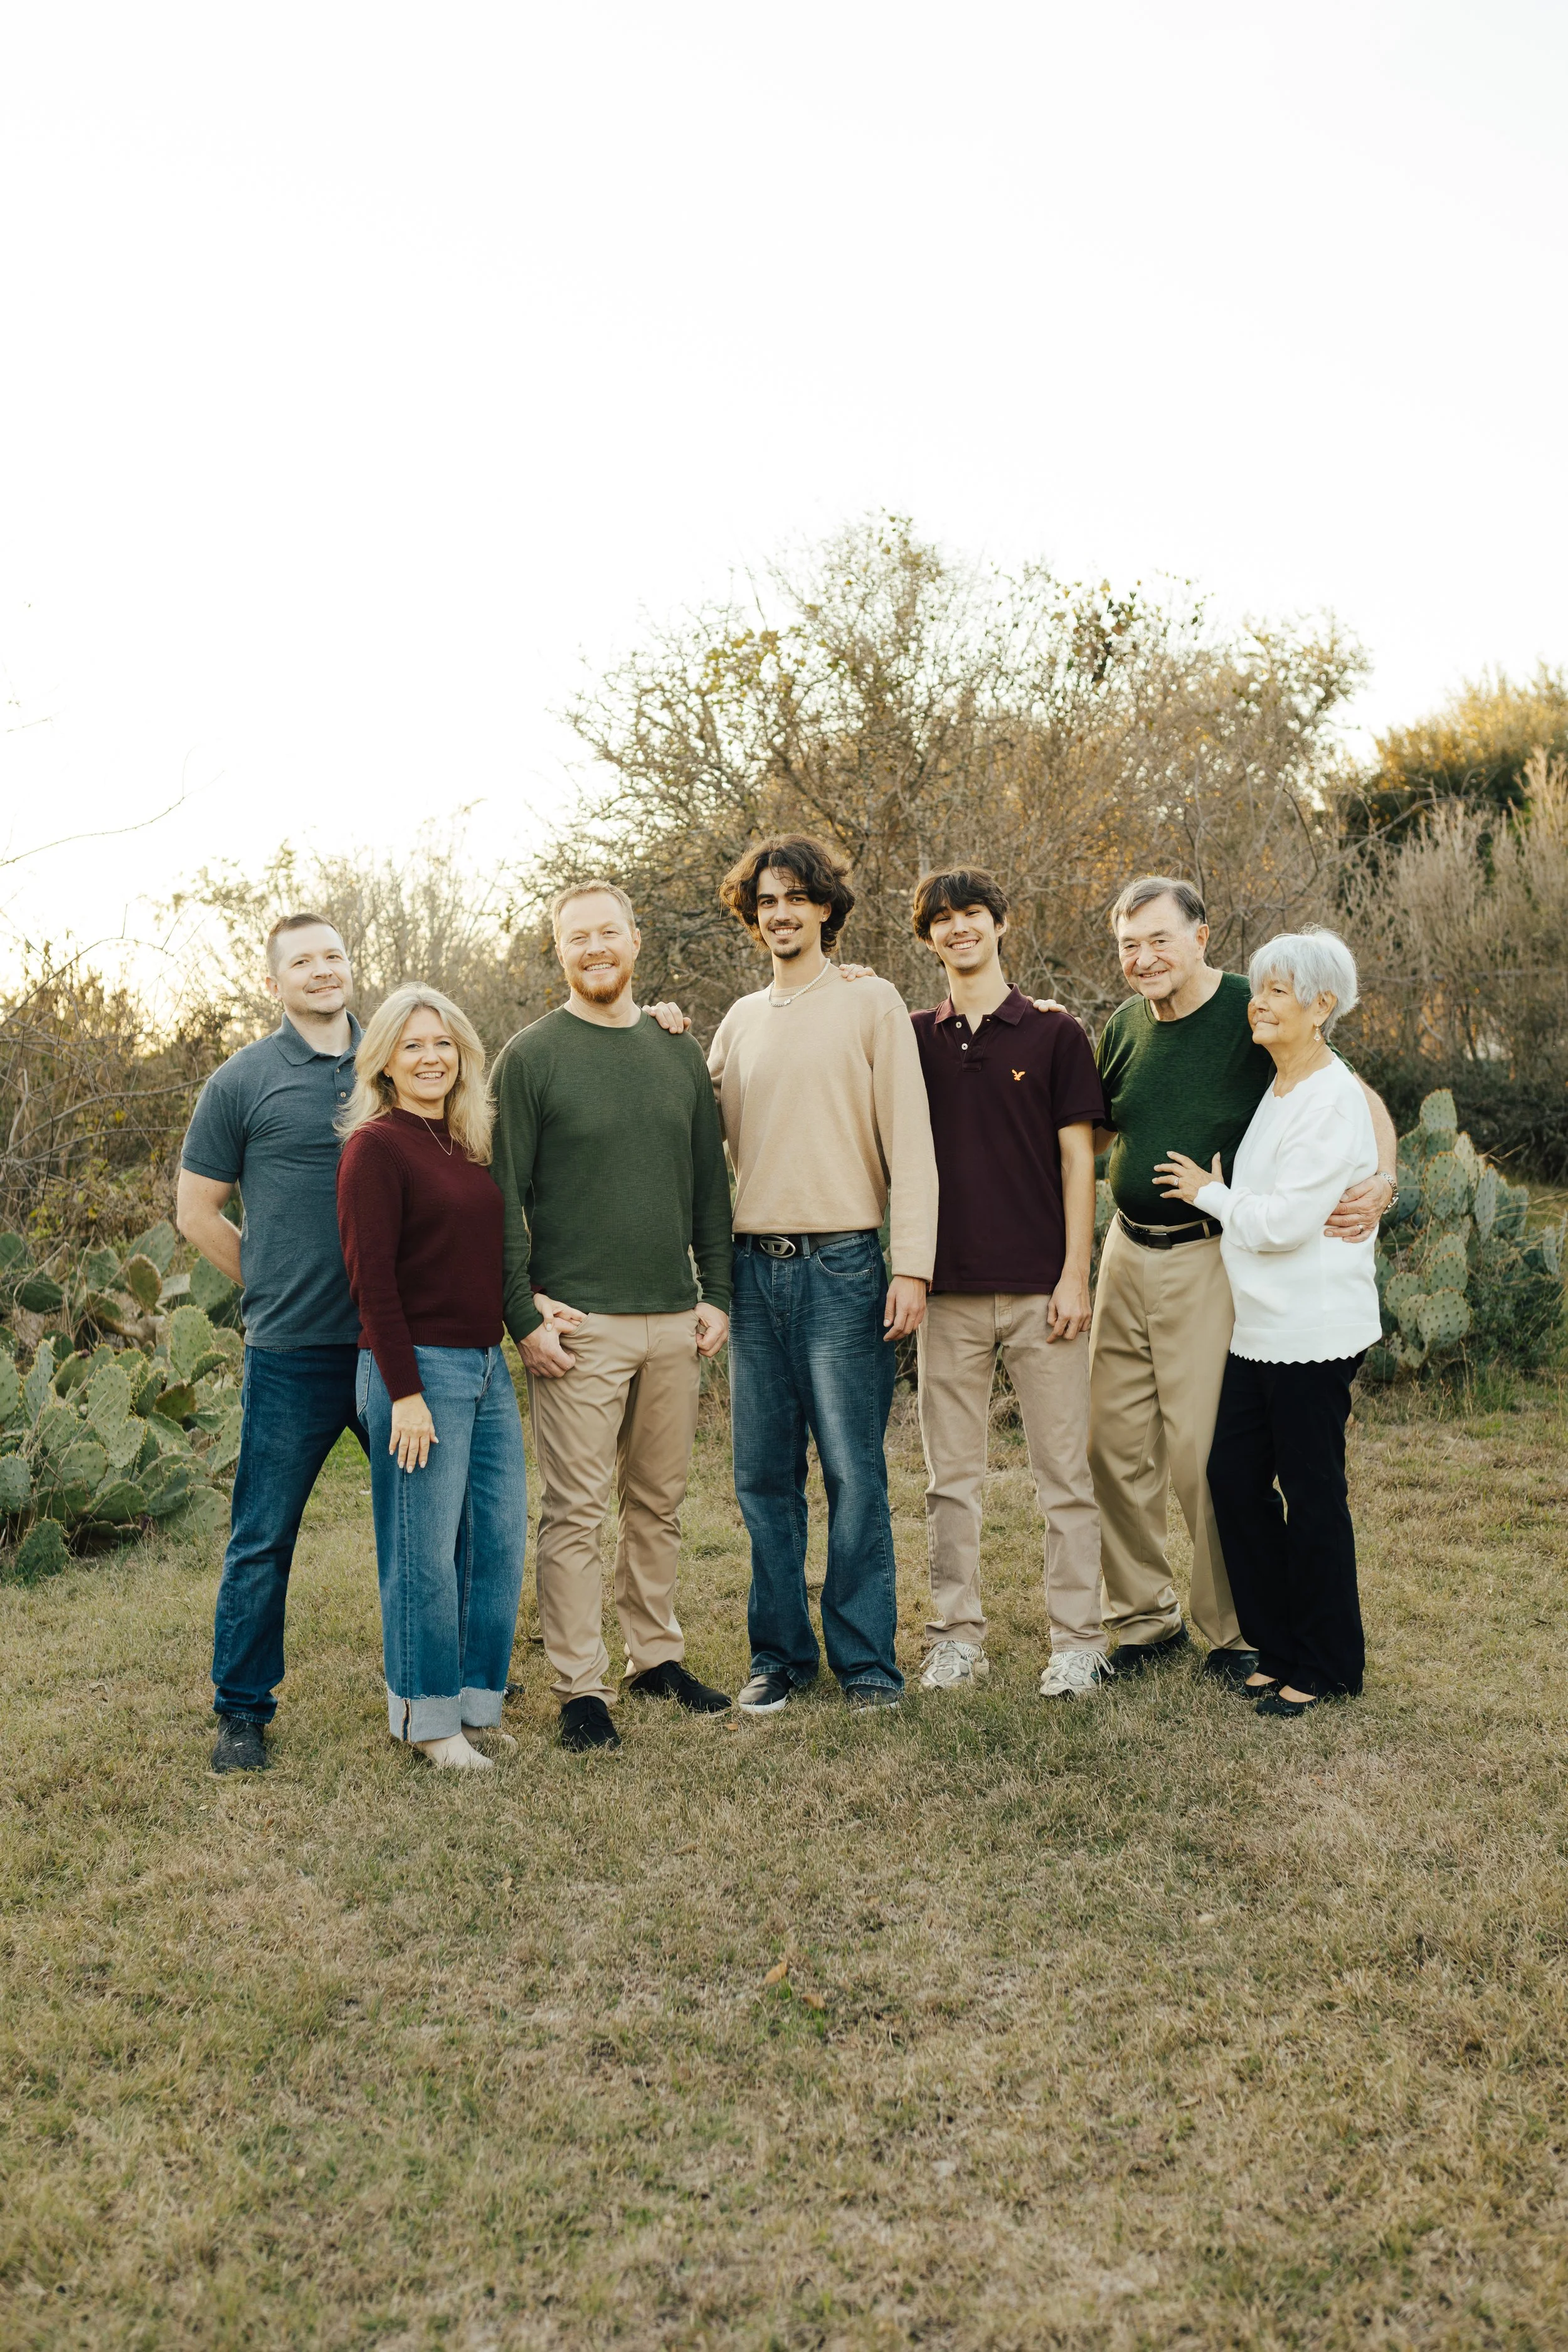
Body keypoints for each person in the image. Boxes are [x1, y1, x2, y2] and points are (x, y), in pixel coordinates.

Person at [1089, 877, 1397, 1683]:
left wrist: (1385, 1177)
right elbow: (1090, 1129)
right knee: (1114, 1449)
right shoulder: (1122, 1027)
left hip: (1208, 1256)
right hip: (1123, 1254)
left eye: (1159, 939)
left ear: (1199, 936)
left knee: (1204, 1458)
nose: (1144, 958)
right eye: (1128, 944)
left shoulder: (1249, 1008)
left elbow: (1353, 1093)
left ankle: (1234, 1634)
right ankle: (1142, 1624)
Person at [489, 882, 734, 1755]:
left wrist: (719, 1296)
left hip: (674, 1320)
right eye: (575, 936)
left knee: (660, 1502)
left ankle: (655, 1657)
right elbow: (499, 1199)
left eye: (608, 931)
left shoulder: (676, 1049)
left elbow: (711, 1181)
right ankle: (580, 1687)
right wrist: (523, 1316)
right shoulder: (530, 1057)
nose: (594, 947)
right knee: (576, 1511)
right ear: (557, 951)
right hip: (578, 1328)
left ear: (636, 939)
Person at [709, 835, 938, 1715]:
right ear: (753, 914)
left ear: (828, 909)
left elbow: (912, 1144)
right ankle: (779, 1656)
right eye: (767, 900)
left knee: (853, 1471)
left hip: (845, 1264)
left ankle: (867, 1662)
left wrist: (910, 1265)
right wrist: (659, 1033)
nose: (782, 912)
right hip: (753, 1268)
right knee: (763, 1478)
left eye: (799, 897)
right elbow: (700, 1131)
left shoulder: (872, 1000)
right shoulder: (739, 1019)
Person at [1155, 930, 1380, 1716]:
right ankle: (1278, 1644)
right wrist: (1234, 1193)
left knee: (1314, 1496)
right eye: (1258, 987)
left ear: (1322, 1007)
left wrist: (1208, 1194)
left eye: (1278, 991)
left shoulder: (1330, 1095)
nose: (1259, 1002)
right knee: (1234, 1480)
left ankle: (1326, 1665)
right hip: (1258, 1330)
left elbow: (1284, 1223)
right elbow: (1269, 1200)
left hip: (1313, 1333)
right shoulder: (1280, 1086)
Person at [908, 866, 1113, 1700]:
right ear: (929, 937)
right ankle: (956, 1638)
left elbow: (1079, 1162)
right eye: (943, 920)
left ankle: (1078, 1642)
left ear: (1001, 924)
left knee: (1064, 1477)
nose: (960, 929)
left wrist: (1076, 1273)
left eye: (974, 915)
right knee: (949, 1482)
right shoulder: (912, 1035)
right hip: (946, 1295)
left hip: (1042, 1293)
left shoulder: (1054, 1035)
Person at [177, 913, 367, 1774]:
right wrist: (267, 1280)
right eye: (303, 961)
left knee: (440, 1524)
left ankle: (450, 1679)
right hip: (292, 1350)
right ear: (274, 981)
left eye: (333, 955)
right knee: (262, 1535)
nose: (323, 971)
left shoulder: (400, 1054)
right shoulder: (242, 1079)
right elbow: (196, 1209)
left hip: (395, 1346)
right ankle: (242, 1711)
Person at [336, 984, 527, 1772]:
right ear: (383, 1059)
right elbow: (370, 1279)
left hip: (486, 1366)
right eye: (412, 1045)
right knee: (421, 1551)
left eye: (442, 1044)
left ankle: (476, 1704)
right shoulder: (375, 1147)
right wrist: (405, 1392)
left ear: (462, 1055)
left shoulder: (464, 1141)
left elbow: (476, 1255)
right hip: (419, 1373)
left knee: (497, 1541)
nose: (430, 1058)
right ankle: (427, 1720)